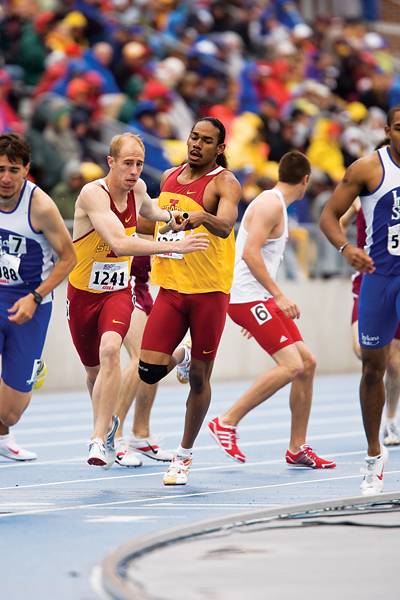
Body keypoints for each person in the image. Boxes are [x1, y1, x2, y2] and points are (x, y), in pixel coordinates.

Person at [67, 132, 208, 469]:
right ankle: (109, 429)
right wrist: (173, 246)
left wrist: (172, 219)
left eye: (140, 164)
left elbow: (153, 210)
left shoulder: (139, 190)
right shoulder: (93, 194)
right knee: (93, 372)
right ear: (111, 162)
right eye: (127, 163)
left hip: (117, 291)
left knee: (112, 350)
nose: (134, 171)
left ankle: (100, 439)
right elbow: (119, 243)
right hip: (83, 293)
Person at [207, 151, 335, 470]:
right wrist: (276, 296)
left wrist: (265, 301)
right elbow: (250, 253)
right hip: (248, 297)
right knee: (291, 365)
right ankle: (227, 421)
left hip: (256, 299)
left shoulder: (275, 204)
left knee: (307, 363)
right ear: (305, 180)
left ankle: (297, 447)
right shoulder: (270, 204)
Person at [136, 117, 242, 486]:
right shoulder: (167, 176)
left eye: (206, 140)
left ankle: (183, 455)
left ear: (220, 148)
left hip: (209, 291)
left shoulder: (225, 182)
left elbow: (226, 226)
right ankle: (178, 356)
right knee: (147, 371)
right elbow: (150, 224)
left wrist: (199, 217)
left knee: (200, 378)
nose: (197, 144)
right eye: (194, 137)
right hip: (171, 286)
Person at [319, 106, 400, 495]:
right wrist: (346, 248)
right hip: (379, 279)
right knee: (373, 368)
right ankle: (373, 455)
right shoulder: (368, 169)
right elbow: (329, 215)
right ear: (387, 130)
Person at [0, 133, 76, 461]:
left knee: (11, 413)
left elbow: (69, 258)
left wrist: (35, 296)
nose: (5, 177)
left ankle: (5, 429)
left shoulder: (40, 205)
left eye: (13, 170)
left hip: (29, 303)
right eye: (0, 169)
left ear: (26, 170)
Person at [340, 194, 400, 447]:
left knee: (395, 363)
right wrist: (348, 249)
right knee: (363, 351)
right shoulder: (361, 197)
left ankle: (390, 421)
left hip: (395, 278)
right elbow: (337, 223)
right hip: (366, 281)